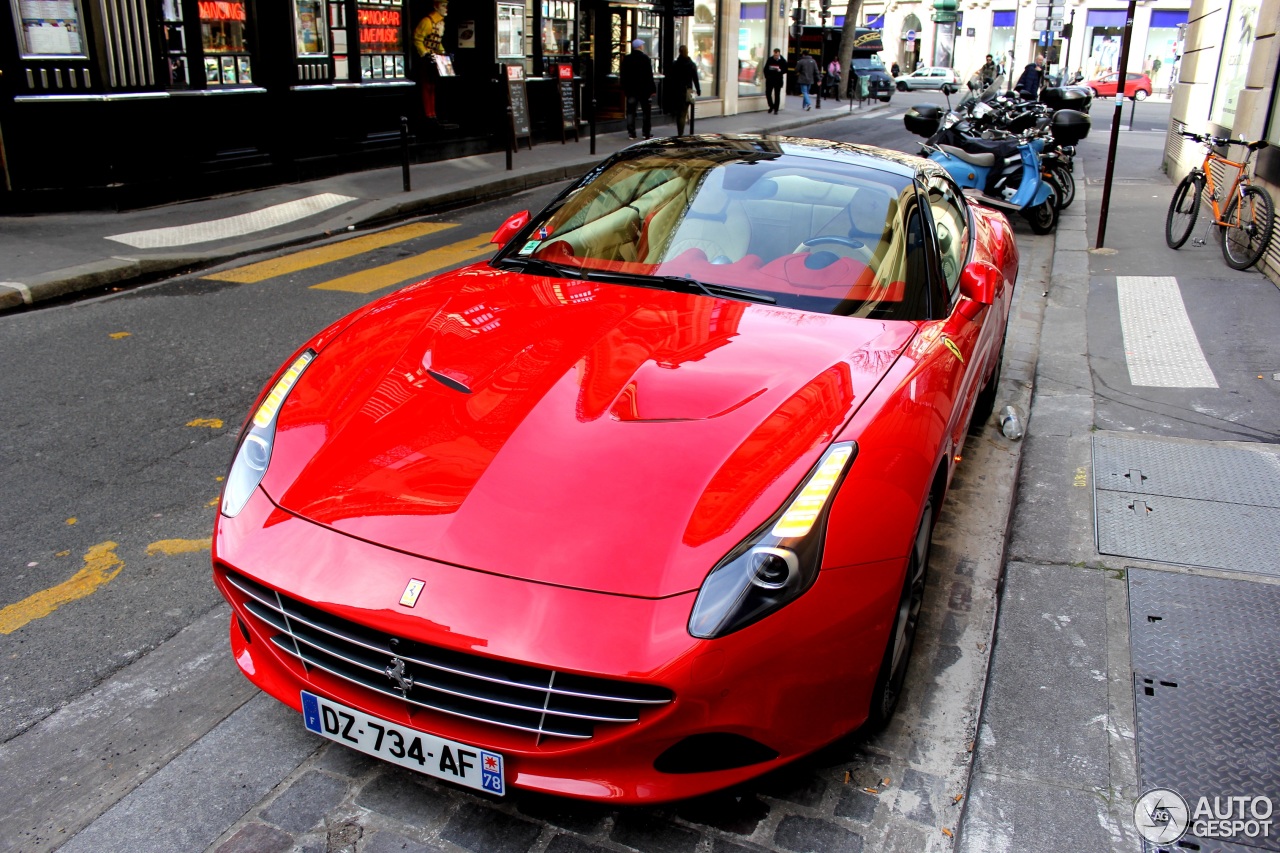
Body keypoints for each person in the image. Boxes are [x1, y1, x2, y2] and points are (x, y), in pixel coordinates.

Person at [412, 0, 449, 120]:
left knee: (433, 86)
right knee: (426, 86)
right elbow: (417, 39)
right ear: (436, 6)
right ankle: (428, 114)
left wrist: (443, 52)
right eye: (443, 6)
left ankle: (433, 113)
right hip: (426, 59)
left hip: (434, 57)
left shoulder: (440, 23)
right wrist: (424, 53)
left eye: (446, 6)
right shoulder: (427, 22)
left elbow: (437, 41)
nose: (446, 8)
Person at [620, 38, 656, 139]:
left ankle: (631, 133)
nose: (643, 46)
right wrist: (652, 89)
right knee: (646, 111)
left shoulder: (627, 58)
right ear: (640, 46)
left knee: (631, 111)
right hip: (644, 90)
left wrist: (624, 88)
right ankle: (646, 133)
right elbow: (649, 75)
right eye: (642, 45)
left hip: (631, 90)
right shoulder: (645, 59)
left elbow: (623, 75)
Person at [667, 44, 700, 136]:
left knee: (680, 113)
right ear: (687, 52)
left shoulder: (675, 64)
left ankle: (680, 132)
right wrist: (698, 89)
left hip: (678, 90)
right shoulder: (691, 64)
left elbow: (671, 78)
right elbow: (695, 79)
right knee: (684, 111)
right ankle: (683, 132)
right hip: (690, 91)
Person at [764, 48, 788, 113]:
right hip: (770, 79)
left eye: (777, 55)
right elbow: (765, 69)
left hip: (778, 80)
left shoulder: (783, 61)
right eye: (774, 55)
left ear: (779, 54)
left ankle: (776, 109)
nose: (776, 57)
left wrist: (780, 70)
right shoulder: (770, 59)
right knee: (768, 93)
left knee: (777, 95)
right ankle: (771, 106)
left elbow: (786, 69)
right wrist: (767, 76)